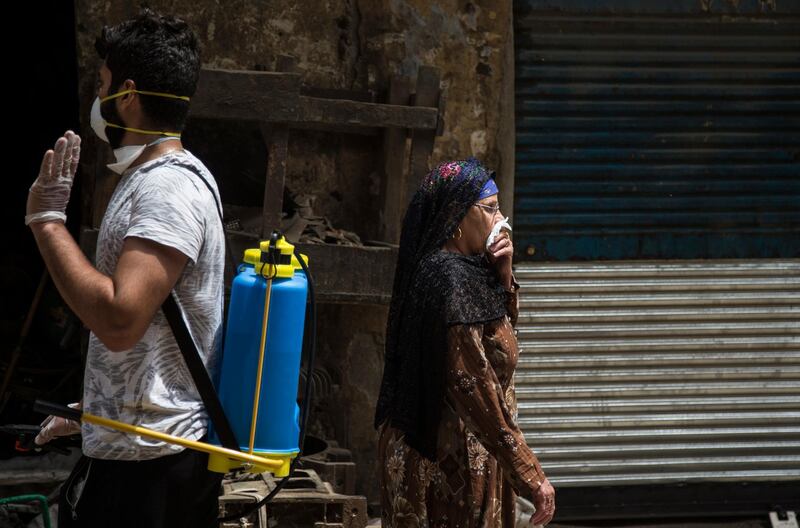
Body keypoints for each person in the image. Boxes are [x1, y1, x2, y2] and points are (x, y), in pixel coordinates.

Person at [26, 9, 225, 527]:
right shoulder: (151, 180)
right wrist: (96, 407)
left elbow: (120, 319)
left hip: (154, 471)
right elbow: (151, 333)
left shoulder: (167, 189)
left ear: (128, 95)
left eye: (103, 84)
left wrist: (47, 223)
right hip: (136, 454)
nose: (98, 98)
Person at [374, 158, 556, 527]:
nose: (501, 219)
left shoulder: (465, 272)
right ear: (457, 217)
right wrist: (531, 475)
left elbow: (498, 342)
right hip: (446, 466)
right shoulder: (450, 280)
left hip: (464, 454)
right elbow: (474, 386)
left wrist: (503, 278)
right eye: (490, 209)